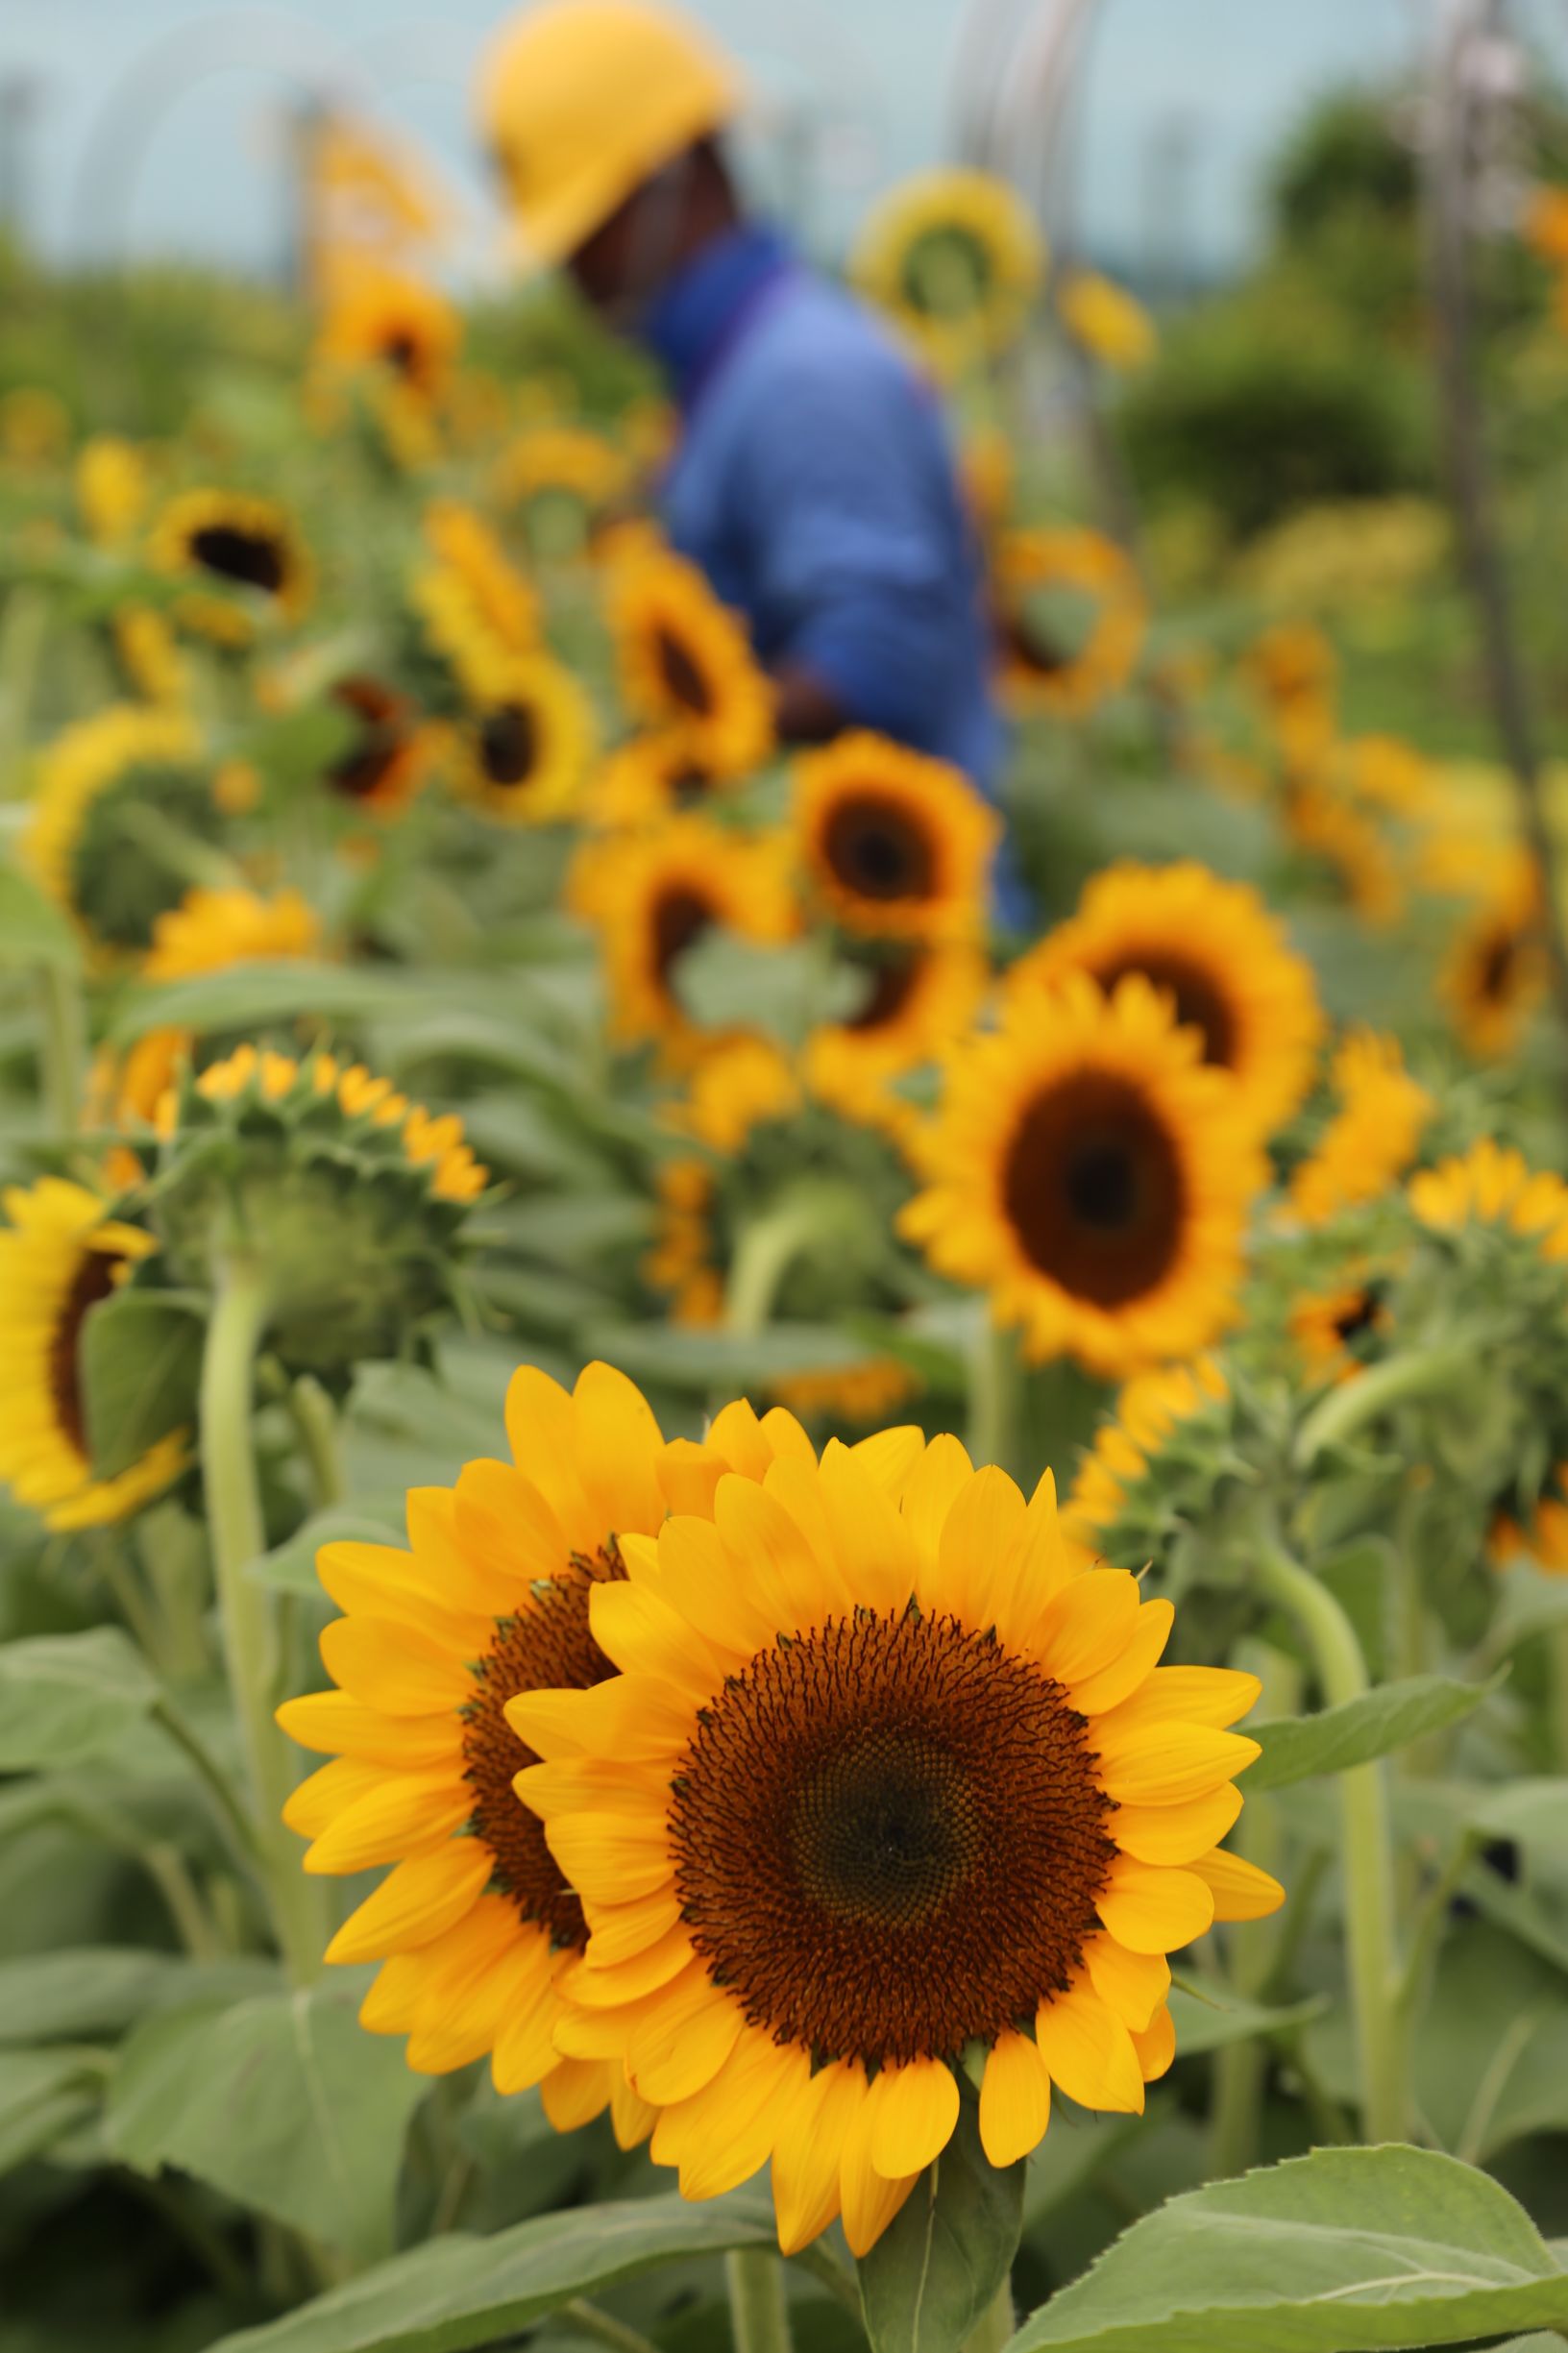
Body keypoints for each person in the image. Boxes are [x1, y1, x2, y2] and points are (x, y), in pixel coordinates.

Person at [478, 0, 1003, 798]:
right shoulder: (734, 369)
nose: (572, 270)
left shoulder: (807, 380)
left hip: (884, 897)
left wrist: (669, 759)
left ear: (672, 176)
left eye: (588, 224)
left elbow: (881, 656)